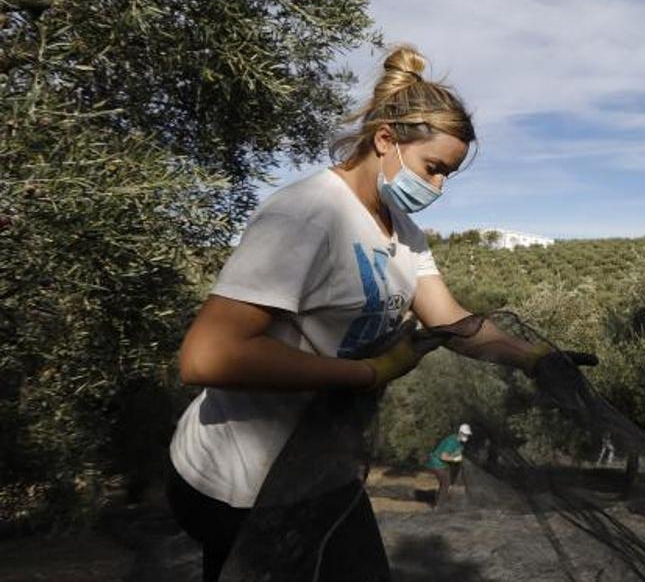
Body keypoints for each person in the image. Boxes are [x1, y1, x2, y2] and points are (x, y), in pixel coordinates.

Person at [165, 46, 594, 582]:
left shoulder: (402, 231)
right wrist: (367, 373)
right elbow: (207, 356)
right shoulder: (307, 215)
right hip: (239, 483)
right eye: (433, 169)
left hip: (318, 471)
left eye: (448, 177)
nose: (437, 188)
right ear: (386, 140)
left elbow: (450, 320)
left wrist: (534, 358)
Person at [424, 423, 471, 508]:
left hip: (443, 464)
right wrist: (454, 459)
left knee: (444, 483)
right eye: (464, 434)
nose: (466, 436)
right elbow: (443, 456)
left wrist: (458, 456)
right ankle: (439, 506)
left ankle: (439, 501)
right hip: (437, 463)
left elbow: (456, 452)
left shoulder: (459, 443)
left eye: (467, 435)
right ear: (460, 433)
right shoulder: (451, 442)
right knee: (446, 483)